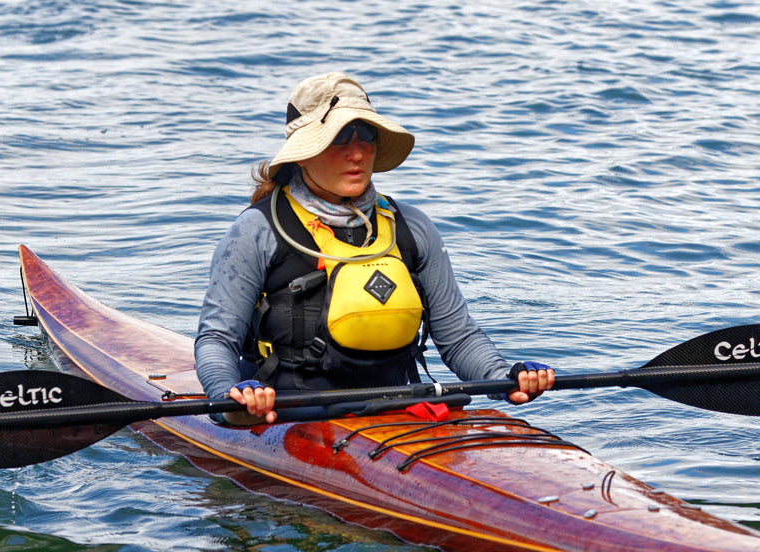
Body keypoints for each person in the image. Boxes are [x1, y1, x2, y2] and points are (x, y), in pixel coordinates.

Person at [195, 72, 555, 425]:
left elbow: (458, 336)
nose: (357, 153)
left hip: (401, 405)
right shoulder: (257, 230)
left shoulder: (411, 226)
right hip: (292, 411)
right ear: (304, 154)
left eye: (365, 135)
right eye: (338, 138)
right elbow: (216, 338)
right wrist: (232, 395)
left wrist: (505, 376)